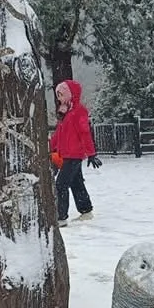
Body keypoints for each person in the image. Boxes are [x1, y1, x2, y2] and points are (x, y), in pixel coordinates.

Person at [49, 80, 102, 227]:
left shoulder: (79, 112)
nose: (59, 98)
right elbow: (58, 134)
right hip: (66, 154)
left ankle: (61, 217)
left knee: (61, 184)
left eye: (61, 95)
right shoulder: (65, 112)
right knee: (76, 183)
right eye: (57, 95)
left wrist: (91, 153)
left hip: (74, 155)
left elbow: (85, 133)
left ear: (70, 94)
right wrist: (49, 148)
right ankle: (86, 211)